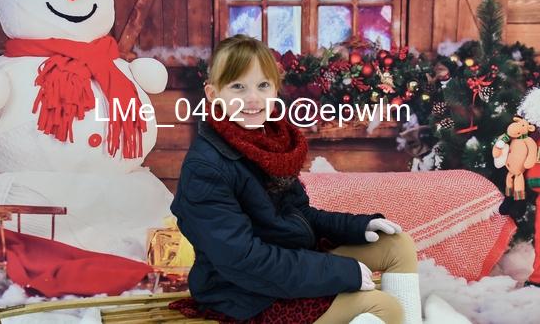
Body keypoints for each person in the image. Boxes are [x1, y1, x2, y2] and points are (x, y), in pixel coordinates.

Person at [169, 35, 422, 324]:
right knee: (382, 308)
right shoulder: (206, 167)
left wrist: (357, 227)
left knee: (396, 244)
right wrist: (340, 272)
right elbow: (243, 260)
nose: (253, 98)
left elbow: (299, 214)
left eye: (263, 85)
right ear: (214, 94)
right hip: (245, 294)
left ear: (275, 89)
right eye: (238, 86)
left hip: (290, 262)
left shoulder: (272, 142)